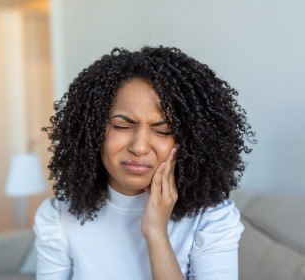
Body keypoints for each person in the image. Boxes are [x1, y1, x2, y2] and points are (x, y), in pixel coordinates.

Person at [34, 45, 257, 280]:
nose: (139, 147)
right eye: (122, 126)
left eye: (163, 130)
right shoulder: (57, 218)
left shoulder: (212, 219)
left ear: (191, 141)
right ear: (92, 131)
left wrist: (156, 234)